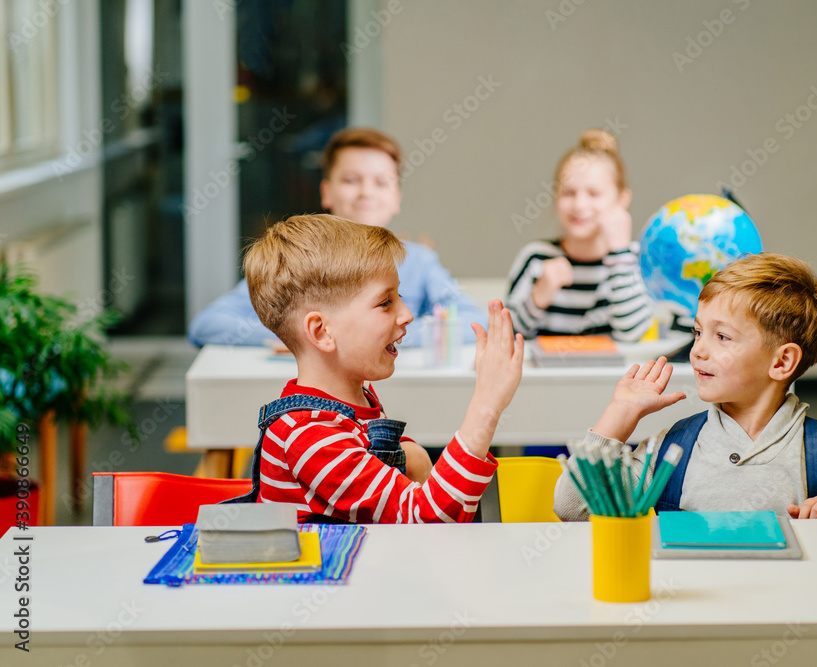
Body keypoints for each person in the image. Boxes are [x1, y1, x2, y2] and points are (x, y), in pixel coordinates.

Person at [237, 214, 523, 523]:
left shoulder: (357, 401)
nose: (407, 314)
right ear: (321, 332)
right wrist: (486, 406)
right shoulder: (309, 435)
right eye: (385, 302)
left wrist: (412, 456)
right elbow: (426, 520)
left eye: (399, 296)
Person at [553, 252, 817, 520]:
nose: (698, 350)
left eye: (722, 337)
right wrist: (619, 414)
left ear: (782, 362)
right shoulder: (673, 448)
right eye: (698, 331)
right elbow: (572, 506)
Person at [188, 127, 486, 348]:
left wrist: (374, 336)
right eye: (351, 180)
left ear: (396, 197)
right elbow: (207, 325)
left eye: (381, 182)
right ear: (327, 192)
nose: (366, 192)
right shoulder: (297, 258)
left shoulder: (419, 260)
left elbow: (474, 322)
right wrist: (301, 337)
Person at [505, 129, 654, 342]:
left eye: (594, 194)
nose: (579, 205)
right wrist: (537, 298)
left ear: (622, 200)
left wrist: (620, 253)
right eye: (568, 193)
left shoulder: (635, 260)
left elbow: (632, 332)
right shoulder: (535, 258)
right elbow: (507, 335)